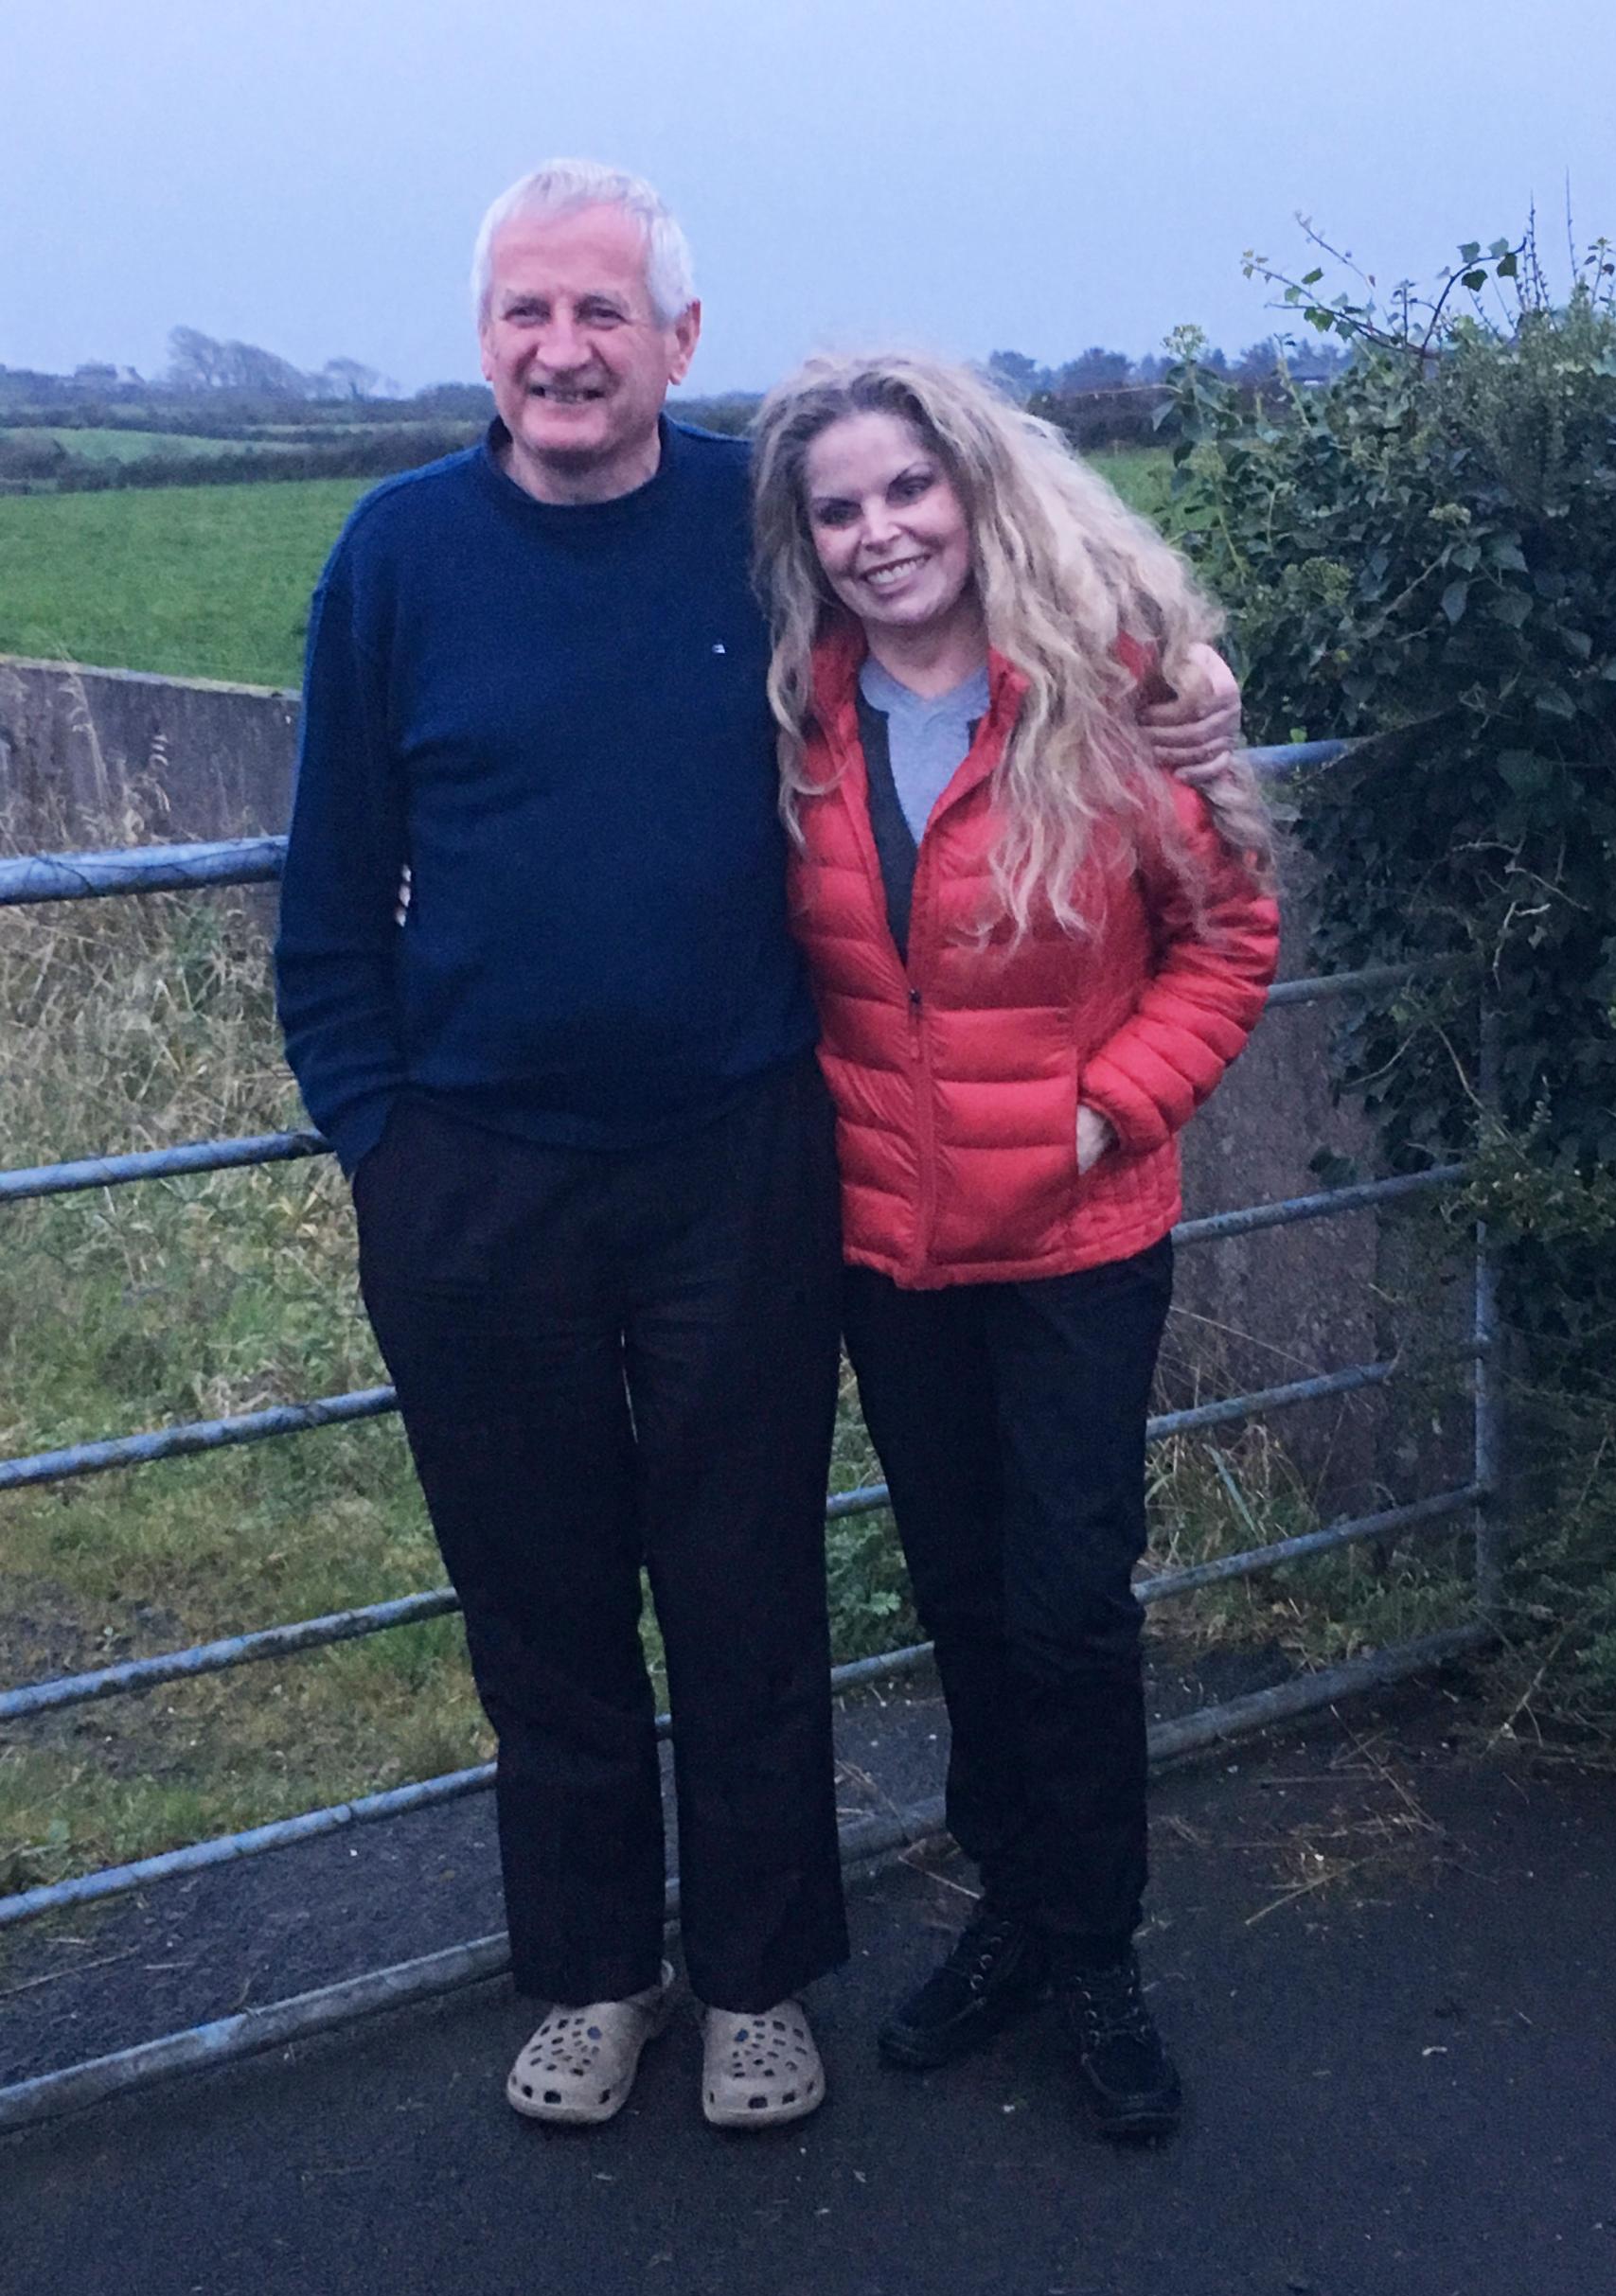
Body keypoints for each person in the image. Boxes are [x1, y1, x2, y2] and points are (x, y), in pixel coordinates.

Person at [276, 160, 1242, 2136]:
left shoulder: (751, 530)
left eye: (602, 313)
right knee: (537, 1603)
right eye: (526, 313)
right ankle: (590, 1971)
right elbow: (323, 898)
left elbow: (1021, 610)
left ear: (675, 341)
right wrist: (380, 1140)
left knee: (753, 1592)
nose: (562, 347)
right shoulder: (391, 558)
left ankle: (758, 1978)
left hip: (744, 1163)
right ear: (485, 339)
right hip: (475, 1173)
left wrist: (1192, 681)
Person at [751, 352, 1281, 2140]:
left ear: (976, 490)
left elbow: (1226, 942)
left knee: (1065, 1604)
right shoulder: (787, 713)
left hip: (1072, 1233)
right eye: (839, 508)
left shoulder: (1109, 703)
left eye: (910, 490)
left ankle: (1098, 1947)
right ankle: (1012, 1908)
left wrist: (1102, 1112)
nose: (880, 532)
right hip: (887, 1249)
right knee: (963, 1600)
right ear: (803, 541)